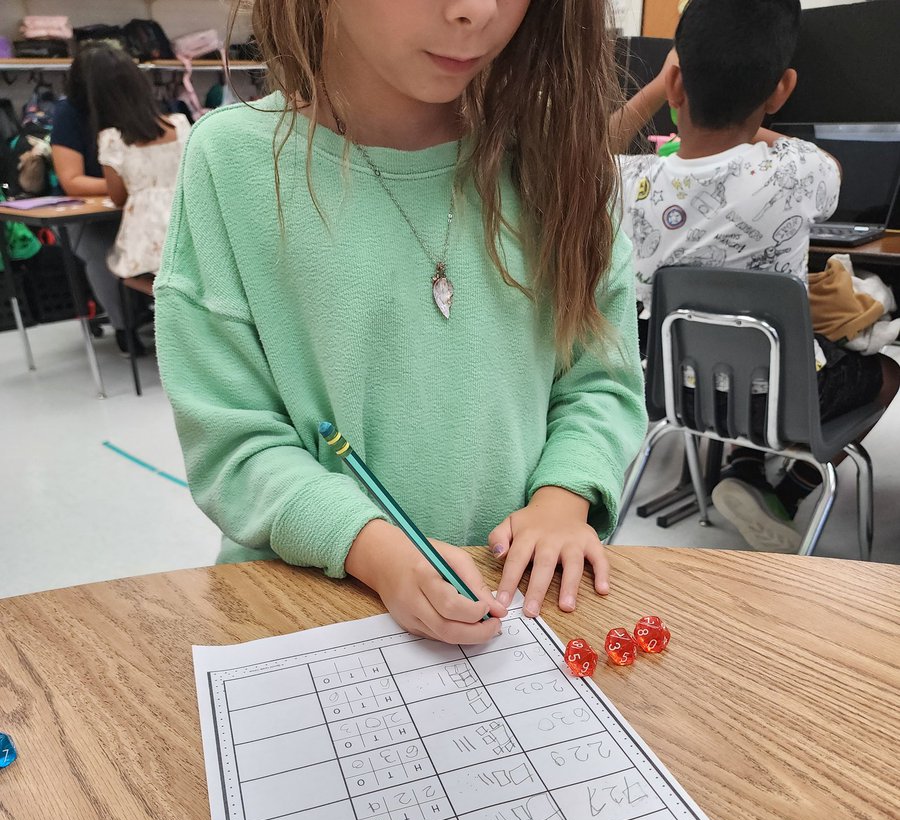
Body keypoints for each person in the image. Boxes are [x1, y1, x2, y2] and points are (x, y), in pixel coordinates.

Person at [155, 0, 647, 645]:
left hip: (522, 613)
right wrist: (372, 547)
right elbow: (234, 443)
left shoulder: (560, 162)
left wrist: (564, 495)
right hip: (304, 608)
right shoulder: (232, 164)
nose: (476, 10)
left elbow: (601, 384)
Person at [612, 0, 900, 553]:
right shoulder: (795, 172)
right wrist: (757, 126)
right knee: (885, 372)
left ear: (676, 83)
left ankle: (742, 469)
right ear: (782, 89)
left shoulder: (634, 183)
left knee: (761, 360)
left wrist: (657, 89)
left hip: (674, 393)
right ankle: (789, 489)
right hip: (788, 400)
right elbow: (833, 170)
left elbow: (586, 153)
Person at [50, 42, 135, 353]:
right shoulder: (68, 113)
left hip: (134, 207)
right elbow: (72, 181)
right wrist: (128, 183)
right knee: (103, 253)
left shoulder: (132, 107)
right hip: (85, 216)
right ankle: (124, 327)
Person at [91, 52, 190, 296]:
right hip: (188, 222)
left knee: (121, 269)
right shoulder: (179, 124)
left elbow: (117, 197)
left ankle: (169, 301)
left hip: (147, 234)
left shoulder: (112, 139)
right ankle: (181, 301)